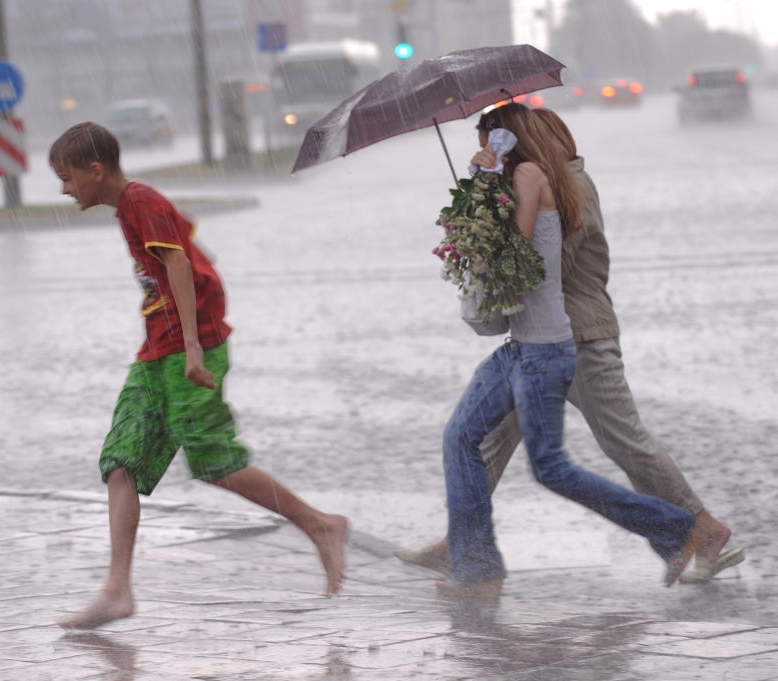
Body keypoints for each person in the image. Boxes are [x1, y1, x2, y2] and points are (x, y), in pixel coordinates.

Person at [396, 108, 742, 584]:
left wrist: (489, 224)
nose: (494, 152)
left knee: (622, 442)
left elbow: (544, 266)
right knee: (486, 439)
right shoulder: (546, 179)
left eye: (495, 143)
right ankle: (461, 543)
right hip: (541, 340)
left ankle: (703, 529)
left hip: (580, 336)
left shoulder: (567, 184)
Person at [48, 122, 349, 629]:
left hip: (190, 350)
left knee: (214, 460)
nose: (64, 190)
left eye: (67, 178)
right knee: (120, 461)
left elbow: (181, 265)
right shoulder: (134, 206)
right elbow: (192, 250)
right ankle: (117, 591)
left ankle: (321, 525)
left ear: (94, 171)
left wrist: (192, 346)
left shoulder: (140, 202)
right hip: (155, 352)